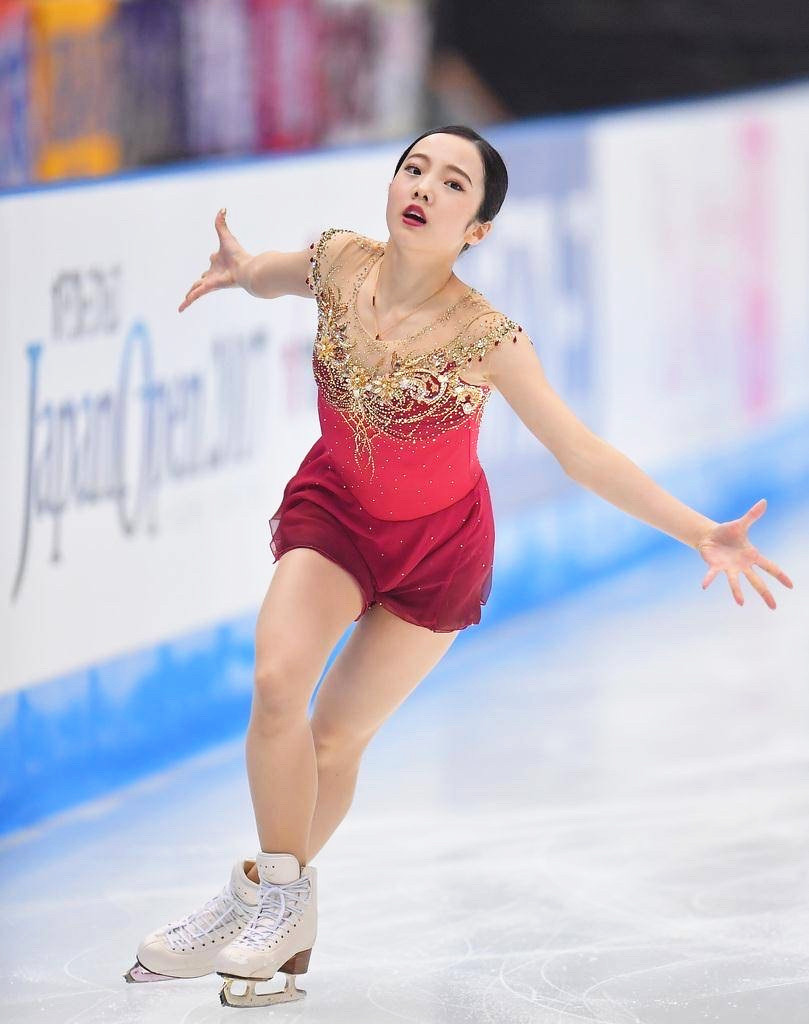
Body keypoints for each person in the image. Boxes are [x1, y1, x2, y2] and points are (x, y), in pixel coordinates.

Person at [125, 125, 794, 1007]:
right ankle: (280, 903)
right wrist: (238, 268)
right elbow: (271, 275)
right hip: (336, 514)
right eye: (414, 169)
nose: (425, 189)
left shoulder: (487, 335)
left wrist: (695, 530)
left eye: (452, 184)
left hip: (437, 553)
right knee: (279, 681)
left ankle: (251, 898)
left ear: (476, 228)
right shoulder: (337, 263)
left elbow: (581, 453)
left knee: (334, 737)